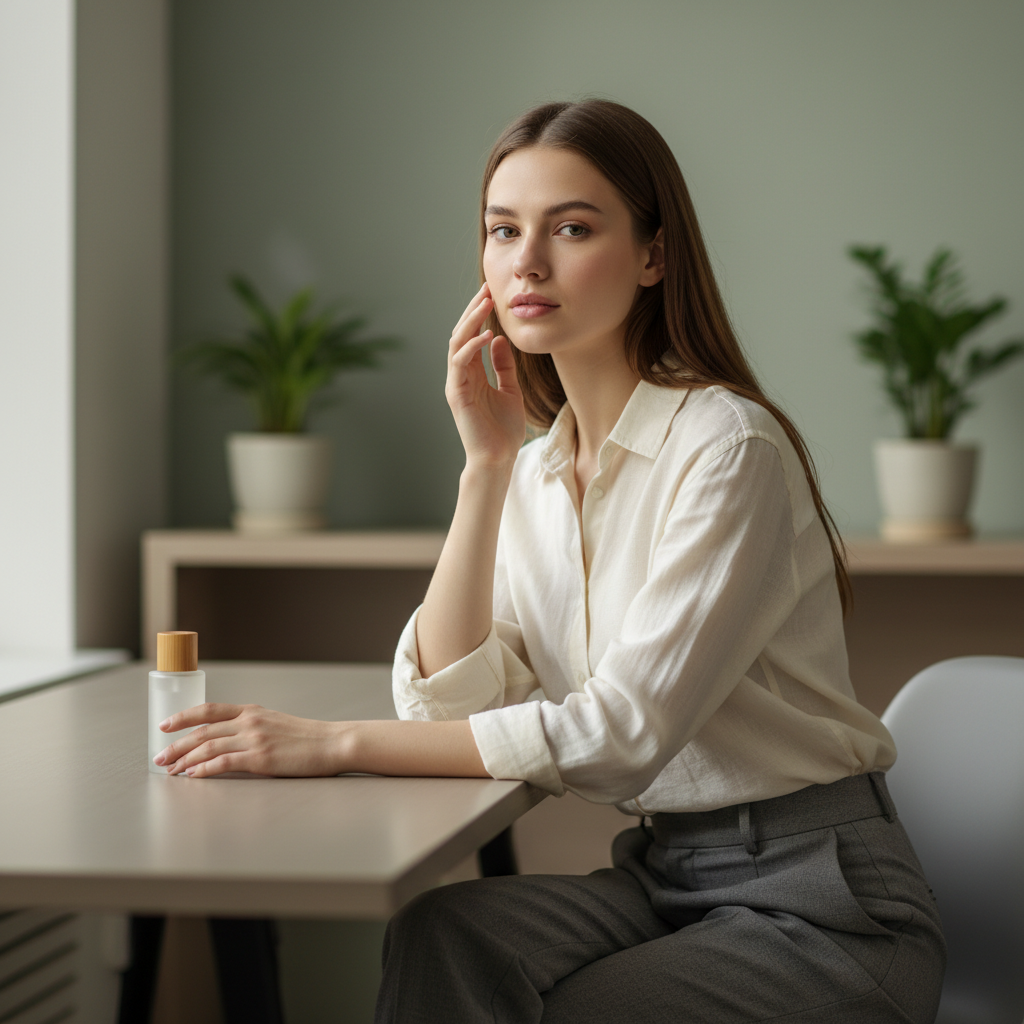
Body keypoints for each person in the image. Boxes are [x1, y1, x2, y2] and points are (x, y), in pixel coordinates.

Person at [154, 100, 946, 1023]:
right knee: (444, 933)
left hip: (826, 908)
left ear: (655, 256)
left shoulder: (728, 448)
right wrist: (483, 468)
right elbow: (451, 701)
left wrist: (333, 743)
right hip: (667, 877)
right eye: (503, 230)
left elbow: (621, 734)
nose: (527, 261)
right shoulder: (535, 470)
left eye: (571, 228)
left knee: (578, 1008)